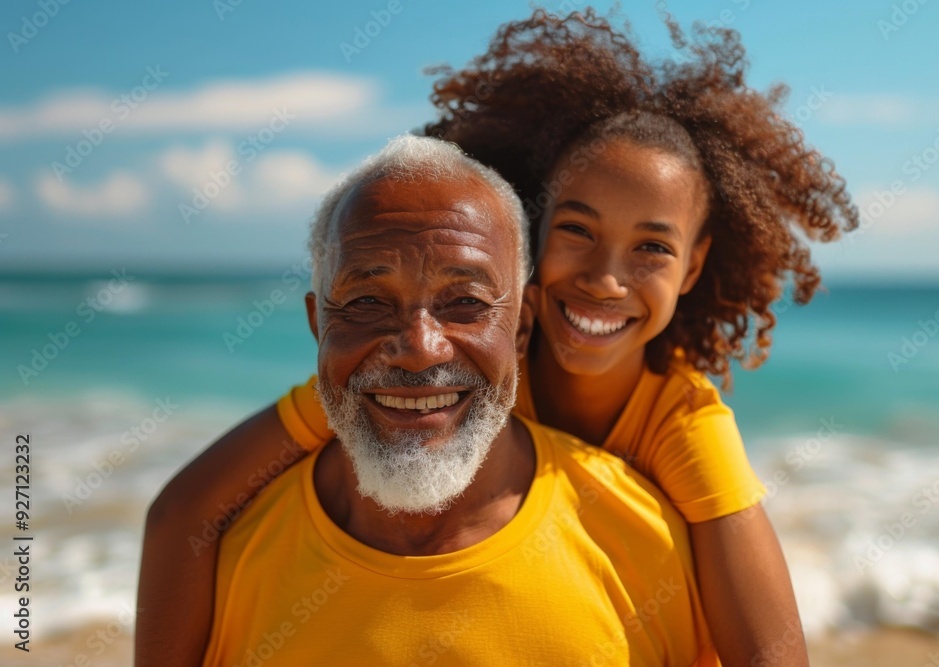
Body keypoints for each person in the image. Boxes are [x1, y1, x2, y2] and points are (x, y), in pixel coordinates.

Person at [137, 10, 857, 666]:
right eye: (576, 230)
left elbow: (769, 652)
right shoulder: (413, 377)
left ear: (694, 265)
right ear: (533, 251)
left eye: (653, 249)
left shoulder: (685, 426)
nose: (605, 280)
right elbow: (182, 510)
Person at [195, 133, 719, 665]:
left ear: (520, 327)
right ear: (318, 323)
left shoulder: (649, 545)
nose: (420, 350)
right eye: (369, 300)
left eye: (465, 301)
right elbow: (179, 512)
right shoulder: (229, 559)